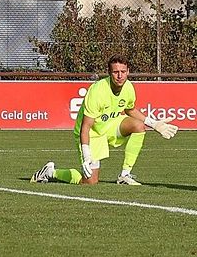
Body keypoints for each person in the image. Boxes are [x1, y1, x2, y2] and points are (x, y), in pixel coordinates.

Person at [31, 54, 177, 186]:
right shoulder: (97, 91)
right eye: (115, 72)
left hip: (110, 126)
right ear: (109, 73)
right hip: (92, 133)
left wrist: (154, 123)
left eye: (123, 72)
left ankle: (124, 175)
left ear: (128, 72)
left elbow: (130, 110)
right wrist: (86, 153)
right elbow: (85, 127)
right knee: (89, 182)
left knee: (138, 126)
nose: (120, 76)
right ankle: (50, 172)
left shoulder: (129, 88)